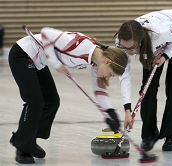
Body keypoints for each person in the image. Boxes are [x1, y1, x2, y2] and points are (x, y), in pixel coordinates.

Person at [8, 27, 128, 164]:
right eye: (111, 74)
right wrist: (55, 62)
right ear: (108, 62)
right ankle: (22, 147)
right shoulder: (78, 45)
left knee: (52, 102)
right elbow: (46, 33)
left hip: (38, 62)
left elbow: (99, 90)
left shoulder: (96, 62)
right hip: (23, 54)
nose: (109, 77)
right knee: (35, 101)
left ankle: (28, 140)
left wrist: (109, 112)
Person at [114, 9, 172, 152]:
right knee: (147, 88)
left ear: (140, 41)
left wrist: (166, 56)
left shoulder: (161, 32)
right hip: (152, 44)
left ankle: (170, 135)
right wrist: (127, 109)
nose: (129, 52)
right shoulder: (122, 44)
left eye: (132, 48)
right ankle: (149, 134)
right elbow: (124, 77)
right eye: (125, 48)